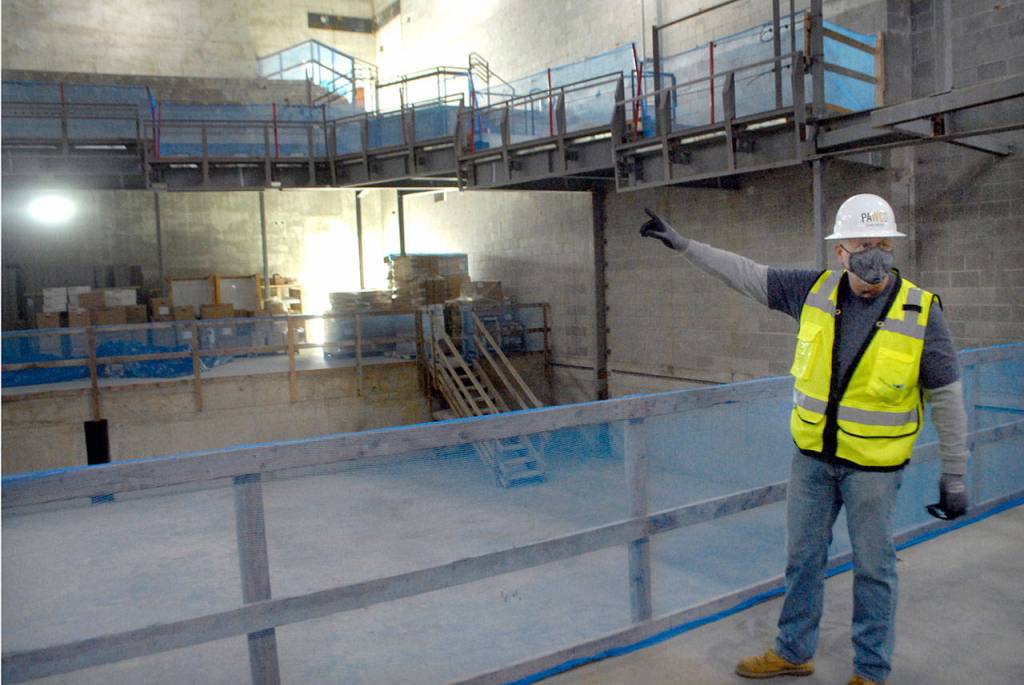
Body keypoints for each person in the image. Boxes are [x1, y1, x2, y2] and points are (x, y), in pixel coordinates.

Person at [639, 194, 969, 685]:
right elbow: (745, 273)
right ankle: (793, 651)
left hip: (874, 471)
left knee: (874, 570)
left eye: (882, 243)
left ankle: (871, 671)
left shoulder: (920, 311)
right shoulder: (810, 290)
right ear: (841, 251)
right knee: (802, 561)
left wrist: (955, 474)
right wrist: (687, 246)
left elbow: (947, 397)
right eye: (863, 244)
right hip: (812, 461)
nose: (873, 254)